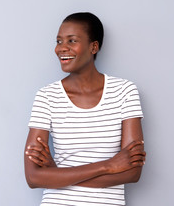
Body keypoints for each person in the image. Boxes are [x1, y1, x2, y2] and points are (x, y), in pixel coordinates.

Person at [24, 12, 146, 206]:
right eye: (58, 41)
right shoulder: (47, 96)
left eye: (71, 41)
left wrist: (56, 174)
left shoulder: (125, 91)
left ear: (93, 47)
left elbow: (132, 172)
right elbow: (33, 177)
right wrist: (109, 165)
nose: (61, 48)